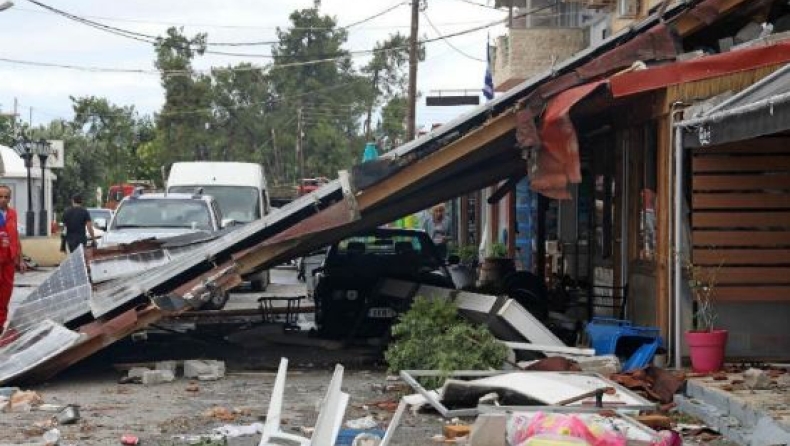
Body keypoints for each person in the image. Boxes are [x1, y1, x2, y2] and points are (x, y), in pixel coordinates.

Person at [0, 185, 25, 332]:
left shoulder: (12, 214)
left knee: (6, 291)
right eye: (0, 196)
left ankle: (1, 323)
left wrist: (20, 259)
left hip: (9, 258)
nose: (3, 199)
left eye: (6, 197)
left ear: (10, 198)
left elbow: (15, 236)